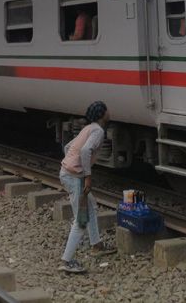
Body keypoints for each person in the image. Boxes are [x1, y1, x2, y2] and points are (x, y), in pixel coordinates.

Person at [59, 101, 111, 273]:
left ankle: (97, 245)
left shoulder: (88, 128)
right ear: (102, 114)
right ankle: (66, 261)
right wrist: (86, 176)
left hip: (69, 175)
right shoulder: (98, 131)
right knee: (81, 220)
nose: (109, 112)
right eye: (106, 110)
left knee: (91, 207)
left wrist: (71, 167)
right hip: (75, 179)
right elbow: (85, 150)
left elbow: (68, 147)